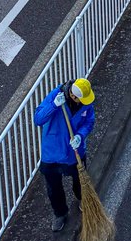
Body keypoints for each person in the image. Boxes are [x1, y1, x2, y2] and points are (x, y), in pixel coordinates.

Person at [33, 78, 96, 231]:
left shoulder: (86, 102)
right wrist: (53, 105)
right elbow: (38, 119)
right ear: (73, 96)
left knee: (80, 179)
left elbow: (89, 122)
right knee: (53, 187)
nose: (83, 103)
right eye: (80, 100)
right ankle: (60, 213)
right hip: (53, 151)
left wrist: (80, 135)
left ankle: (83, 198)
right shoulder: (56, 95)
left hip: (74, 150)